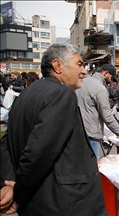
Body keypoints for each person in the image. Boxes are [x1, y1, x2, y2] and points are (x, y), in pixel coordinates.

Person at [1, 43, 107, 215]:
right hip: (62, 202)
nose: (84, 71)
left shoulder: (27, 93)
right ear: (58, 66)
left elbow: (6, 144)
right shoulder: (62, 94)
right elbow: (38, 152)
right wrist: (18, 194)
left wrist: (8, 182)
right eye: (79, 64)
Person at [76, 64, 119, 160]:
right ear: (106, 73)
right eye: (111, 79)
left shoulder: (82, 82)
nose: (111, 82)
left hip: (78, 133)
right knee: (94, 169)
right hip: (91, 136)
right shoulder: (100, 89)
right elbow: (107, 116)